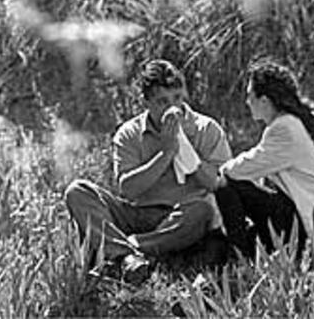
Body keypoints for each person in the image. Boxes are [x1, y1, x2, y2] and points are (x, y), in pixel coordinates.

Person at [65, 59, 232, 283]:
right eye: (162, 102)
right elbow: (129, 190)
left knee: (202, 210)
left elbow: (217, 184)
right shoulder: (130, 133)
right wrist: (165, 153)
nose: (172, 107)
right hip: (139, 213)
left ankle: (128, 249)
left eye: (177, 98)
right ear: (146, 102)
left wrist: (185, 149)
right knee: (78, 191)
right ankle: (126, 257)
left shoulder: (206, 129)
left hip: (183, 217)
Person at [216, 60, 314, 262]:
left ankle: (239, 259)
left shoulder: (285, 128)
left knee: (224, 185)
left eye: (250, 96)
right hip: (301, 216)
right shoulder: (289, 123)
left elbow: (240, 169)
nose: (247, 102)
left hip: (309, 226)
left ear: (264, 100)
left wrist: (220, 171)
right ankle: (248, 249)